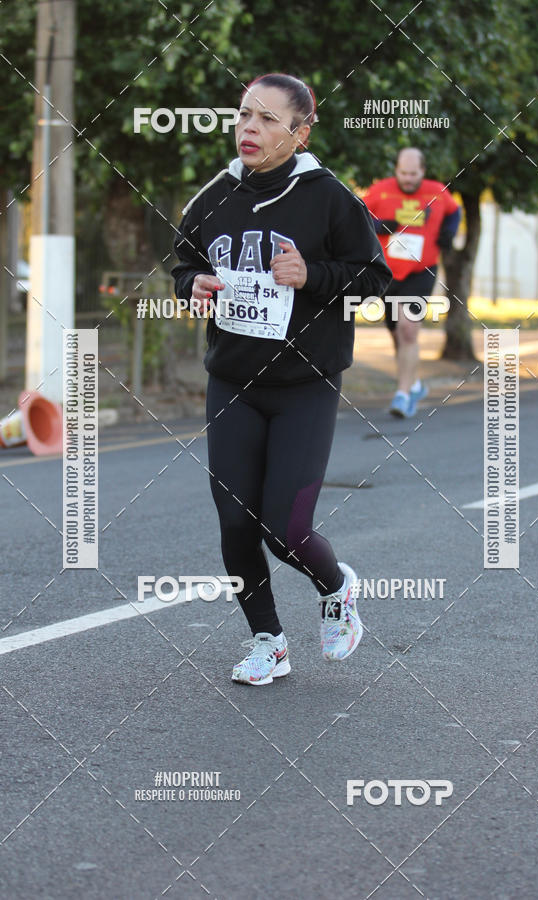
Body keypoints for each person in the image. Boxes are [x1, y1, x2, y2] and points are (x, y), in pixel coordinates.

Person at [172, 73, 392, 686]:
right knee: (236, 523)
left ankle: (337, 586)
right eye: (244, 115)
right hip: (233, 383)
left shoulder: (330, 198)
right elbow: (184, 262)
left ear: (300, 131)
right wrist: (193, 285)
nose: (249, 128)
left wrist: (314, 275)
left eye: (268, 119)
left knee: (285, 529)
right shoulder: (213, 195)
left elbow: (374, 279)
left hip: (304, 384)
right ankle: (268, 642)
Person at [363, 148, 460, 418]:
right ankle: (414, 385)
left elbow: (454, 212)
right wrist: (379, 225)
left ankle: (403, 395)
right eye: (403, 173)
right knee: (397, 334)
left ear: (423, 171)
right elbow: (358, 216)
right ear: (396, 170)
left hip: (422, 270)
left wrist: (449, 232)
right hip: (388, 273)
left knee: (408, 331)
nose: (407, 179)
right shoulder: (380, 191)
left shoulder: (437, 191)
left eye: (413, 174)